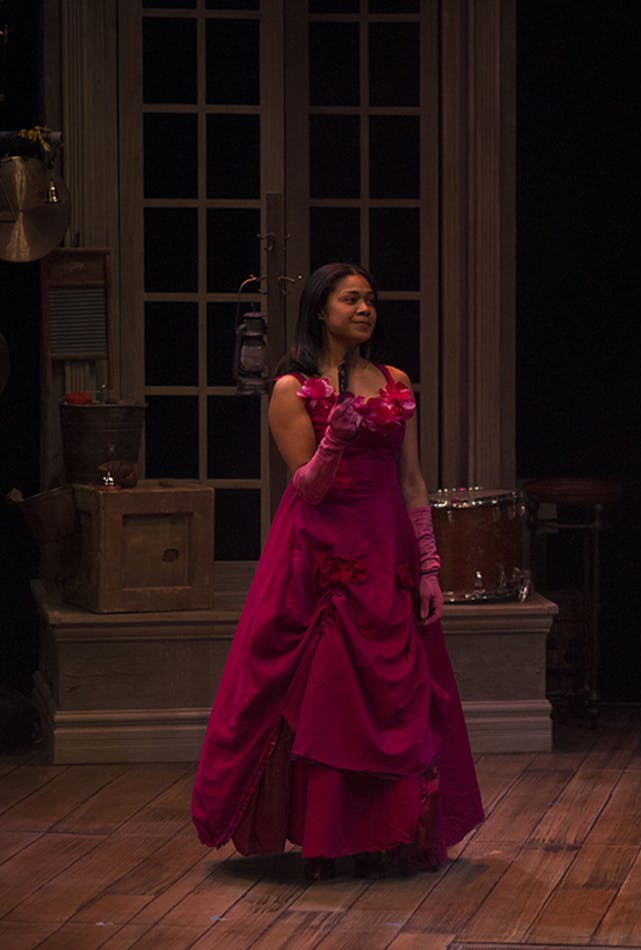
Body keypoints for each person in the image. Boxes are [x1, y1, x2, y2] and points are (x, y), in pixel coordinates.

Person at [192, 262, 483, 881]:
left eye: (370, 300)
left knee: (391, 692)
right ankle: (326, 838)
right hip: (318, 558)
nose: (365, 309)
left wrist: (429, 567)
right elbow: (308, 488)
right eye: (351, 299)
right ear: (321, 309)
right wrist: (335, 441)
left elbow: (411, 480)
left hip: (386, 552)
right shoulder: (290, 388)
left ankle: (385, 833)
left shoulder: (396, 380)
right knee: (327, 697)